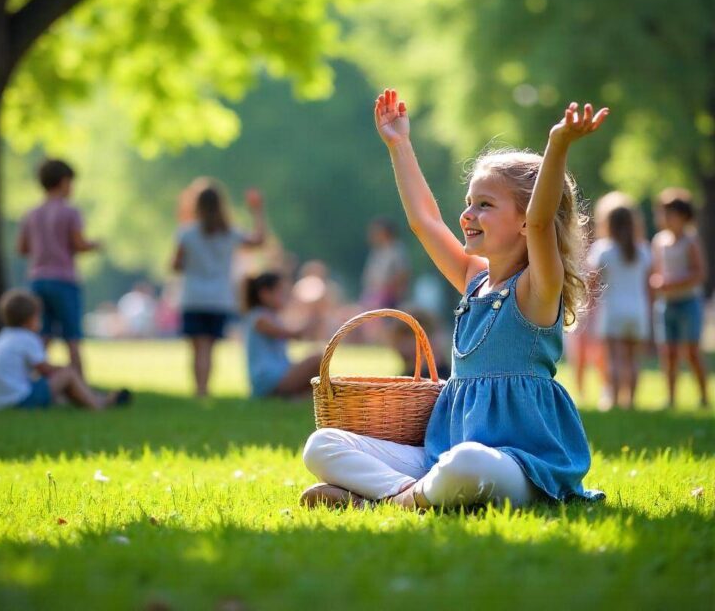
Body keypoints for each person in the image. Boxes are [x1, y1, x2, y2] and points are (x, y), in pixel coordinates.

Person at [301, 90, 607, 510]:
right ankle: (409, 496)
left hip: (520, 468)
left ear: (523, 222)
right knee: (322, 445)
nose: (467, 215)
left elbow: (541, 223)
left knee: (467, 463)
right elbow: (424, 220)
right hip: (443, 456)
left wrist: (557, 145)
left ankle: (387, 500)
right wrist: (399, 144)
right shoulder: (472, 280)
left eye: (485, 205)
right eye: (468, 203)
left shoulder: (537, 289)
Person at [172, 181, 265, 397]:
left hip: (193, 297)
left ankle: (200, 390)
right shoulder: (230, 233)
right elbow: (259, 241)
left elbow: (175, 265)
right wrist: (257, 211)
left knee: (198, 349)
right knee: (209, 348)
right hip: (219, 298)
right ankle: (204, 389)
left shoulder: (187, 233)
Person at [0, 289, 130, 411]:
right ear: (29, 320)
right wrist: (63, 369)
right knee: (68, 374)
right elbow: (45, 369)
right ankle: (98, 404)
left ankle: (88, 399)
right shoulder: (27, 338)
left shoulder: (1, 337)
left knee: (51, 385)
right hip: (16, 401)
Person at [17, 159, 99, 377]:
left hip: (37, 279)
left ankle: (31, 378)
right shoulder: (70, 212)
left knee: (42, 334)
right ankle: (80, 384)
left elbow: (22, 248)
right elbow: (79, 244)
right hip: (63, 279)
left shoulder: (31, 214)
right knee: (72, 336)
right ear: (63, 182)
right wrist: (95, 245)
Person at [587, 196, 652, 409]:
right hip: (638, 310)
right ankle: (630, 401)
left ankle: (613, 399)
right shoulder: (643, 250)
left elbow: (592, 281)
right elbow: (648, 284)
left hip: (612, 310)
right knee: (632, 359)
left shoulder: (603, 250)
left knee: (613, 357)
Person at [651, 188, 709, 408]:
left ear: (684, 216)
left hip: (688, 303)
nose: (664, 218)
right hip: (666, 303)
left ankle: (703, 396)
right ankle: (671, 398)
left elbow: (699, 273)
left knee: (692, 352)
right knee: (669, 353)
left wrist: (673, 283)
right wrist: (657, 282)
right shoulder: (659, 241)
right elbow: (657, 271)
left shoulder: (690, 241)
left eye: (670, 213)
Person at [243, 272, 322, 398]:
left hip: (278, 375)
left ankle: (299, 398)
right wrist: (311, 322)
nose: (286, 298)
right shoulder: (259, 317)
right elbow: (290, 334)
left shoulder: (272, 316)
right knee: (317, 360)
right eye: (282, 293)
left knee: (316, 368)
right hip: (268, 380)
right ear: (265, 294)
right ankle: (296, 396)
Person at [360, 217, 411, 309]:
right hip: (374, 295)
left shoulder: (396, 250)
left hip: (389, 299)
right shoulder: (376, 251)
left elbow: (402, 274)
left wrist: (389, 290)